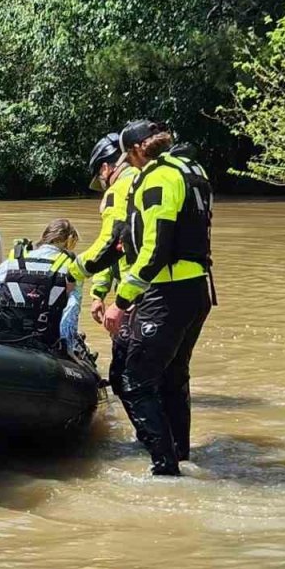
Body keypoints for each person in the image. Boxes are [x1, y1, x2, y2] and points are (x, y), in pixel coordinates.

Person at [100, 120, 215, 476]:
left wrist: (121, 302)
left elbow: (155, 251)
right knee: (173, 376)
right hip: (198, 290)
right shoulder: (193, 169)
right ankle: (180, 453)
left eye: (127, 156)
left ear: (136, 150)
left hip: (166, 293)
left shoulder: (159, 177)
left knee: (133, 381)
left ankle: (166, 469)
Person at [78, 132, 141, 396]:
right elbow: (113, 250)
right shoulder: (144, 179)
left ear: (106, 167)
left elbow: (108, 243)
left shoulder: (120, 189)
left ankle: (149, 438)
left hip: (136, 292)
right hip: (142, 291)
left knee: (125, 376)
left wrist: (72, 272)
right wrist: (99, 292)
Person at [0, 219, 82, 351]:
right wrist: (69, 349)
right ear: (69, 242)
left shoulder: (16, 260)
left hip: (8, 335)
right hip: (46, 341)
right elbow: (71, 312)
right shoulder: (72, 268)